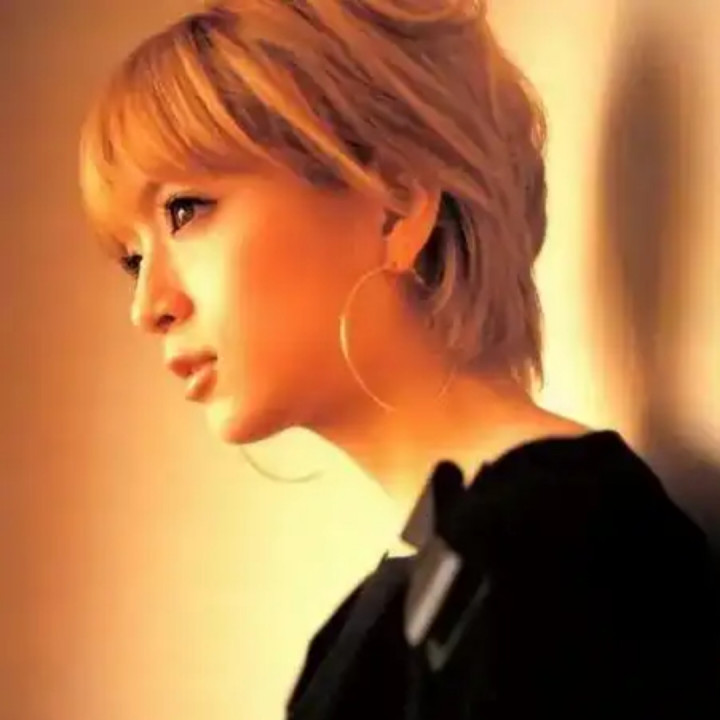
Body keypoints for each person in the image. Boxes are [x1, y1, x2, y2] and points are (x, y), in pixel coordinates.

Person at [77, 1, 720, 717]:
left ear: (395, 207)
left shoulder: (555, 554)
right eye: (132, 258)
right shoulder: (413, 598)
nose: (148, 306)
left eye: (184, 210)